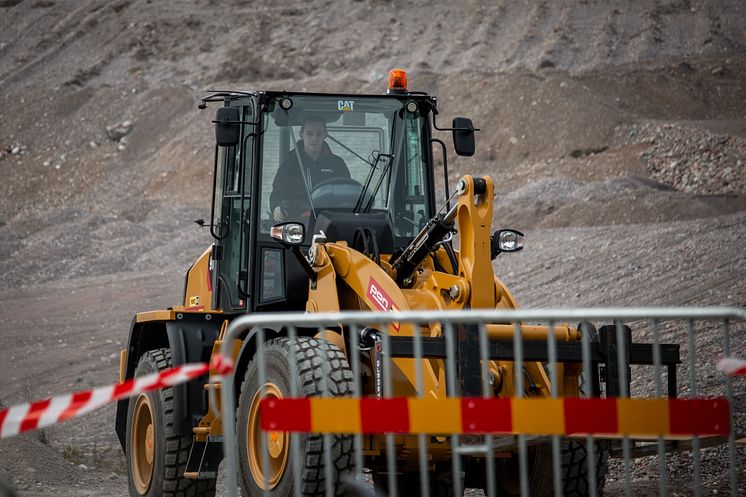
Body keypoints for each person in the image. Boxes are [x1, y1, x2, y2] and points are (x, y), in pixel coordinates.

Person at [270, 115, 350, 222]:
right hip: (296, 223)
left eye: (319, 134)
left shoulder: (337, 164)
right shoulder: (289, 164)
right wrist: (276, 208)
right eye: (309, 133)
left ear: (325, 135)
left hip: (331, 220)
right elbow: (278, 193)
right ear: (301, 134)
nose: (314, 138)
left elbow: (347, 192)